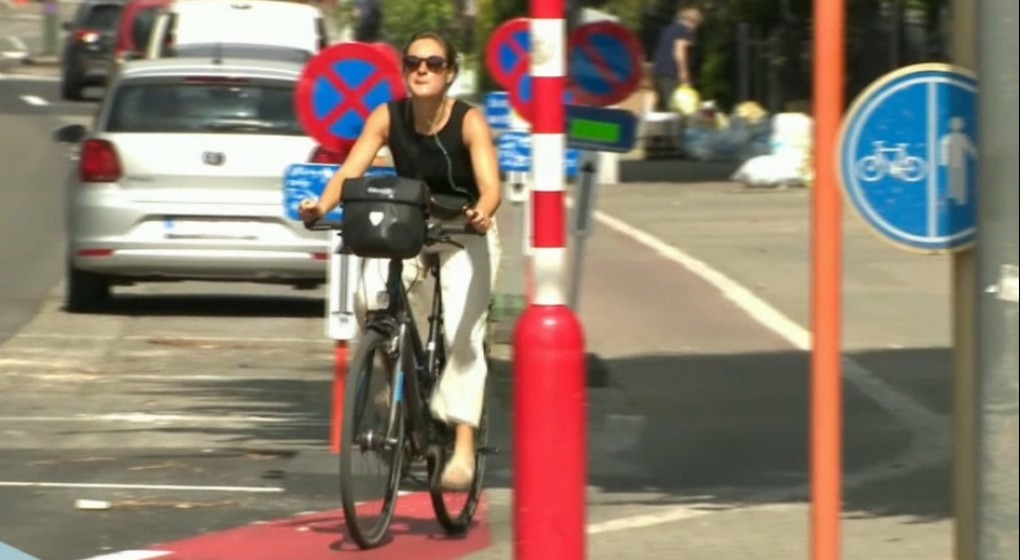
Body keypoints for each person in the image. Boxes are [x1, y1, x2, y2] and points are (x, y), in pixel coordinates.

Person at [299, 30, 502, 491]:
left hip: (464, 230)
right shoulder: (387, 116)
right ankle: (394, 384)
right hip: (410, 226)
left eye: (433, 63)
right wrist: (320, 206)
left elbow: (491, 186)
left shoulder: (469, 121)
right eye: (413, 63)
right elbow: (350, 171)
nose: (422, 70)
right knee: (368, 298)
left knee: (461, 334)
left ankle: (463, 443)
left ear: (450, 73)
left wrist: (481, 212)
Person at [651, 6, 703, 112]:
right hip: (670, 72)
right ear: (693, 22)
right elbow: (679, 52)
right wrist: (683, 72)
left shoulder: (668, 29)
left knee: (661, 106)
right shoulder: (684, 31)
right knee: (674, 107)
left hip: (658, 71)